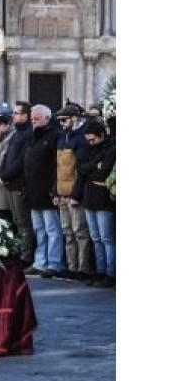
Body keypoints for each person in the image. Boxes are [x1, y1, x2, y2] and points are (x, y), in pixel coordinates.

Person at [24, 104, 63, 278]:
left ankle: (53, 263)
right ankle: (40, 262)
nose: (33, 122)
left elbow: (58, 166)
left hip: (47, 190)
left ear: (47, 118)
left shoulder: (55, 135)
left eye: (37, 119)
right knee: (38, 229)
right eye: (32, 119)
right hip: (33, 190)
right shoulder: (32, 136)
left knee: (52, 229)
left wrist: (55, 190)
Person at [77, 120, 116, 287]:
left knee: (106, 238)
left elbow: (103, 172)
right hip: (89, 197)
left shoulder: (111, 149)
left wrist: (90, 169)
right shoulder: (89, 149)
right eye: (88, 140)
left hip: (103, 199)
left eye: (93, 139)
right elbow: (82, 168)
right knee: (96, 238)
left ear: (102, 135)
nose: (90, 143)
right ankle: (100, 271)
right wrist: (93, 166)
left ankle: (111, 272)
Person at [55, 105, 91, 280]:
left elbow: (82, 170)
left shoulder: (81, 139)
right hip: (62, 193)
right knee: (67, 232)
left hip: (74, 195)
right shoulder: (63, 138)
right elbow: (58, 168)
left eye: (64, 120)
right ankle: (71, 266)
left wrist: (76, 195)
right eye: (59, 120)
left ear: (74, 118)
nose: (61, 124)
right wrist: (55, 192)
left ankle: (83, 269)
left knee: (80, 232)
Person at [0, 101, 35, 267]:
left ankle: (26, 256)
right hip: (10, 182)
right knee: (16, 220)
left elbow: (21, 160)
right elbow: (7, 156)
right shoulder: (16, 134)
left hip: (19, 183)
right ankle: (20, 251)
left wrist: (6, 174)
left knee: (23, 222)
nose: (13, 116)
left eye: (16, 113)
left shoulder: (28, 134)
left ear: (25, 116)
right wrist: (3, 174)